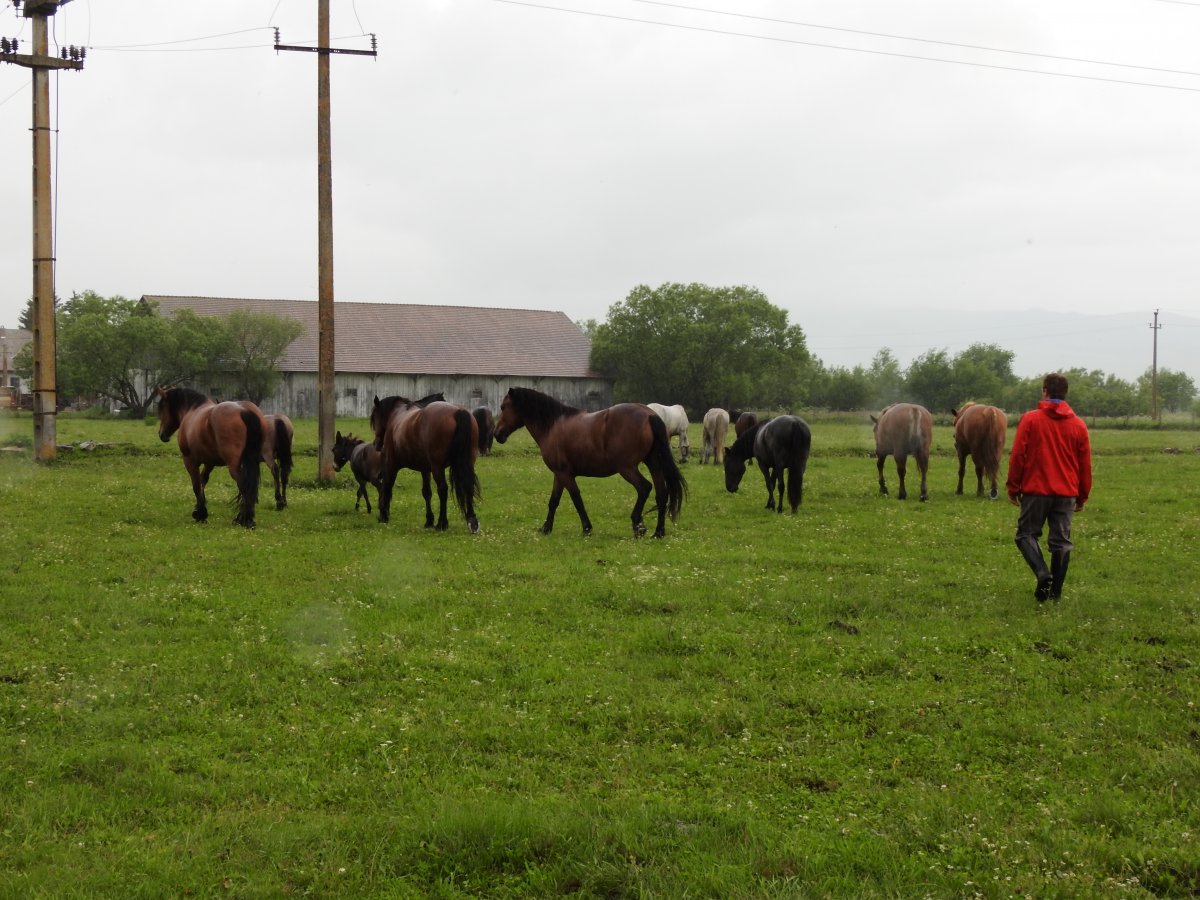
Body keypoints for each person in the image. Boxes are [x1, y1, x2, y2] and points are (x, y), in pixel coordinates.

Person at [1005, 372, 1093, 602]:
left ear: (1045, 391)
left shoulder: (1030, 420)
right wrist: (1082, 495)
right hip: (1066, 493)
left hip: (1036, 490)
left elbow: (1018, 455)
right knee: (1061, 543)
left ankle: (1043, 573)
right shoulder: (1079, 425)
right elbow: (1085, 464)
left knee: (1025, 534)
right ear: (1065, 393)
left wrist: (1013, 487)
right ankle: (1055, 595)